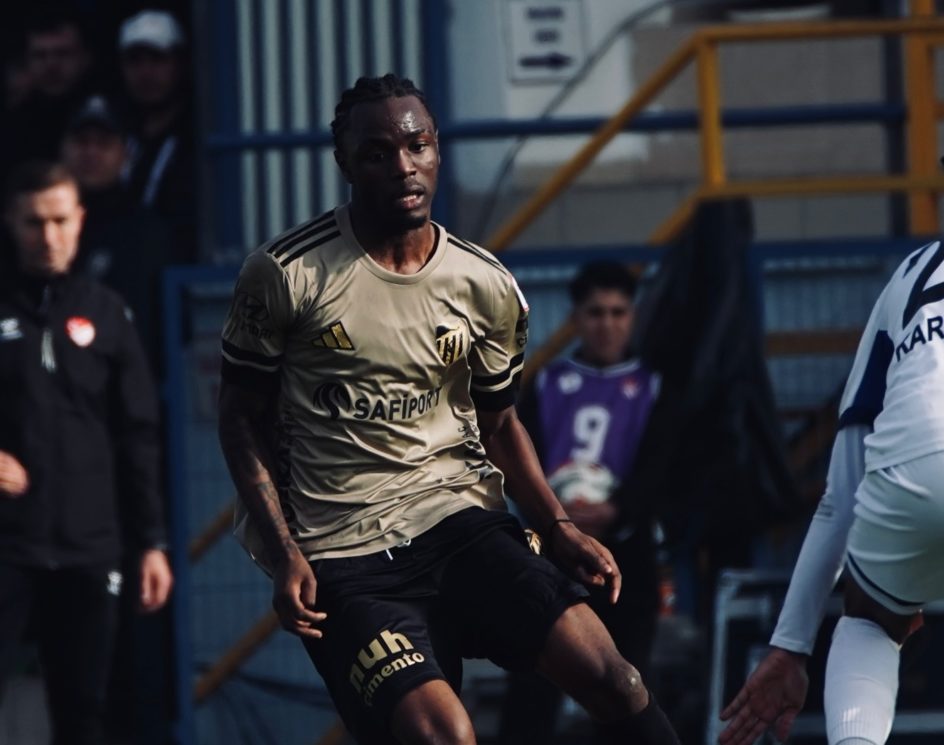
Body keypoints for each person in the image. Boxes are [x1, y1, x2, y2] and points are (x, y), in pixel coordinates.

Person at [218, 74, 681, 745]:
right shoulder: (286, 274)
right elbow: (238, 418)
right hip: (345, 554)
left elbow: (500, 422)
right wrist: (286, 551)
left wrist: (555, 525)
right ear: (346, 163)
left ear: (437, 150)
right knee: (444, 735)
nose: (403, 166)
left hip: (460, 524)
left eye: (418, 146)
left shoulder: (484, 283)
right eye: (378, 152)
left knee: (617, 679)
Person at [717, 114, 944, 745]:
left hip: (927, 467)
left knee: (870, 622)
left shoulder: (912, 274)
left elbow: (841, 493)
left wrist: (791, 646)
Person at [0, 161, 173, 745]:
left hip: (91, 546)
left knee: (85, 712)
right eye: (33, 223)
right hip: (8, 546)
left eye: (58, 221)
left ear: (79, 221)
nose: (47, 236)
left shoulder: (107, 312)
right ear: (11, 223)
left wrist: (151, 542)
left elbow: (138, 434)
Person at [498, 260, 663, 744]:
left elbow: (665, 462)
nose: (606, 324)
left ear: (632, 317)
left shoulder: (655, 385)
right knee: (533, 683)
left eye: (617, 312)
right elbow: (516, 457)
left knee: (626, 684)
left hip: (627, 554)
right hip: (555, 549)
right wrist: (554, 517)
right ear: (576, 319)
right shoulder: (547, 383)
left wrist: (620, 510)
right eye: (595, 313)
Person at [61, 93, 172, 369]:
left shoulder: (146, 230)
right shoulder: (46, 226)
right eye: (81, 142)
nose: (91, 153)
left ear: (125, 154)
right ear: (63, 150)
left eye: (103, 143)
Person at [117, 9, 197, 263]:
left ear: (180, 64)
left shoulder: (197, 136)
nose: (146, 72)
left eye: (157, 59)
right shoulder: (115, 135)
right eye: (135, 61)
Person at [1, 9, 97, 175]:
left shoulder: (110, 117)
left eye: (63, 54)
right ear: (27, 61)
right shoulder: (12, 127)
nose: (51, 65)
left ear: (85, 58)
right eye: (40, 55)